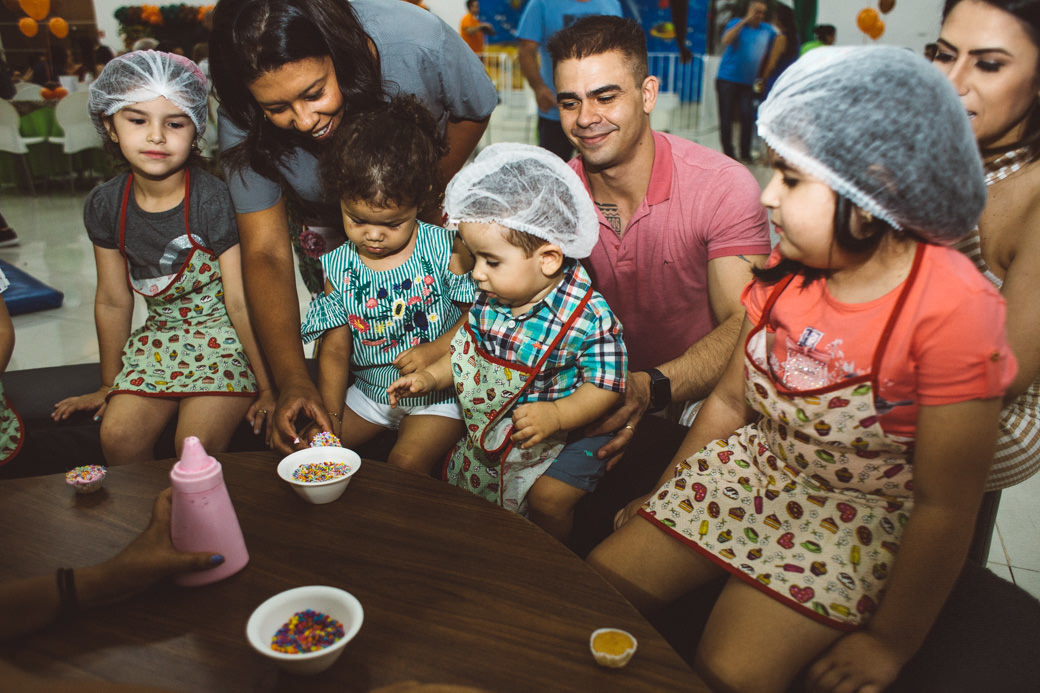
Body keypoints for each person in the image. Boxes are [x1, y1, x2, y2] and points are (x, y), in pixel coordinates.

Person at [589, 46, 1015, 693]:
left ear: (868, 193)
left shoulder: (954, 312)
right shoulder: (785, 271)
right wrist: (667, 497)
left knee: (730, 670)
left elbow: (944, 504)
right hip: (757, 468)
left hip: (855, 518)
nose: (767, 195)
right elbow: (732, 403)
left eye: (790, 178)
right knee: (598, 585)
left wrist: (889, 642)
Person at [209, 0, 498, 454]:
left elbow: (473, 109)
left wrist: (412, 202)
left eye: (314, 92)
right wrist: (292, 382)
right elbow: (264, 252)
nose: (304, 121)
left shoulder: (414, 39)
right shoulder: (241, 110)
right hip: (330, 241)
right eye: (277, 107)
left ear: (340, 51)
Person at [547, 16, 771, 465]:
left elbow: (746, 323)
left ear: (647, 94)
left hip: (702, 398)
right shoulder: (552, 198)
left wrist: (651, 386)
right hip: (588, 397)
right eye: (570, 103)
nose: (586, 118)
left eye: (605, 97)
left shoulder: (721, 187)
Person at [388, 143, 627, 541]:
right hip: (508, 421)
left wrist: (560, 415)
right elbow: (470, 353)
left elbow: (608, 386)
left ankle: (550, 558)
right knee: (471, 488)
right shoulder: (493, 298)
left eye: (491, 261)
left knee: (548, 499)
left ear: (548, 259)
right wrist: (430, 378)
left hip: (578, 431)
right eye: (474, 257)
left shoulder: (589, 317)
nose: (477, 275)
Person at [51, 51, 275, 464]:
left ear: (196, 130)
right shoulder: (105, 206)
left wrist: (267, 388)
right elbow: (114, 300)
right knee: (118, 438)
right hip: (157, 341)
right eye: (137, 120)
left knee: (194, 447)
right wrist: (108, 384)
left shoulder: (213, 200)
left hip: (223, 343)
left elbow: (239, 301)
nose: (156, 136)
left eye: (174, 123)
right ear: (109, 125)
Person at [299, 96, 473, 474]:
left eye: (393, 224)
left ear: (421, 199)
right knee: (314, 453)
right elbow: (334, 350)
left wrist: (433, 351)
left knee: (404, 463)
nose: (374, 236)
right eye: (357, 220)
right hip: (368, 394)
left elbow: (477, 318)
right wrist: (330, 421)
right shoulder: (339, 266)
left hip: (439, 395)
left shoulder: (445, 249)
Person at [932, 0, 1040, 519]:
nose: (952, 82)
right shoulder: (940, 152)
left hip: (998, 414)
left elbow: (1008, 374)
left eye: (989, 64)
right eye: (944, 54)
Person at [516, 0, 622, 161]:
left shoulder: (610, 3)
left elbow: (620, 51)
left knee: (602, 175)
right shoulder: (541, 4)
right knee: (554, 173)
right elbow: (525, 50)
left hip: (602, 111)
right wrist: (539, 88)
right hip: (557, 110)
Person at [715, 0, 776, 162]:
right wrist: (745, 21)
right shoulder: (737, 24)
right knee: (726, 116)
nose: (759, 15)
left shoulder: (767, 30)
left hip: (748, 82)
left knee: (747, 116)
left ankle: (745, 152)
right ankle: (728, 152)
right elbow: (726, 40)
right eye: (757, 11)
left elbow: (774, 48)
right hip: (727, 78)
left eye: (763, 12)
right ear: (749, 11)